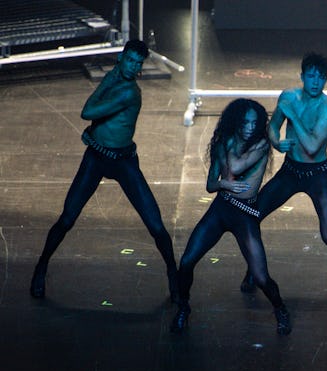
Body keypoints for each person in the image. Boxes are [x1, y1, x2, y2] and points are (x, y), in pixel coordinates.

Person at [29, 39, 178, 301]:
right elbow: (97, 115)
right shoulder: (114, 77)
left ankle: (173, 274)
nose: (133, 67)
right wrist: (92, 134)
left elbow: (88, 111)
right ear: (121, 58)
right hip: (97, 157)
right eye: (129, 60)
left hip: (122, 161)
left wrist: (91, 130)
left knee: (155, 225)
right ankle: (41, 267)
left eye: (138, 63)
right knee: (67, 218)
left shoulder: (129, 92)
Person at [170, 99, 291, 335]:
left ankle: (280, 309)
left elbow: (235, 167)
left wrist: (225, 169)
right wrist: (224, 182)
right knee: (186, 263)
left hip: (245, 215)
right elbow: (211, 185)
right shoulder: (222, 143)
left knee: (261, 276)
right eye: (245, 122)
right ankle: (183, 308)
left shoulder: (261, 145)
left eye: (254, 123)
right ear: (236, 122)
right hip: (221, 209)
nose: (249, 128)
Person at [239, 52, 327, 293]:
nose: (315, 82)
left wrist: (293, 116)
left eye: (320, 78)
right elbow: (272, 126)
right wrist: (277, 142)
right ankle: (254, 268)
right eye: (310, 76)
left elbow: (312, 147)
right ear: (302, 76)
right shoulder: (289, 96)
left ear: (326, 80)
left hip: (317, 174)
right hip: (290, 170)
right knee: (252, 216)